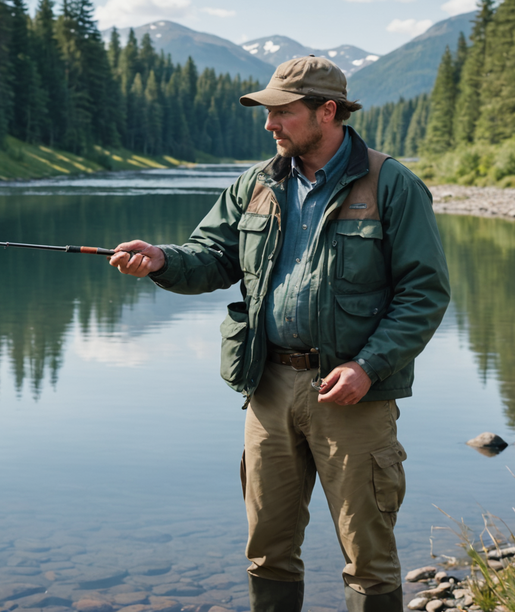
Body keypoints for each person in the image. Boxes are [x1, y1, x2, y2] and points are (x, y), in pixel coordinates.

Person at [108, 56, 450, 612]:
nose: (270, 126)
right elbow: (211, 257)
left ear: (328, 111)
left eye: (283, 114)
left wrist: (369, 365)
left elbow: (424, 293)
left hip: (353, 393)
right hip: (267, 388)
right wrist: (161, 260)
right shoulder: (256, 184)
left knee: (368, 556)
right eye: (267, 114)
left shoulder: (391, 184)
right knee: (267, 551)